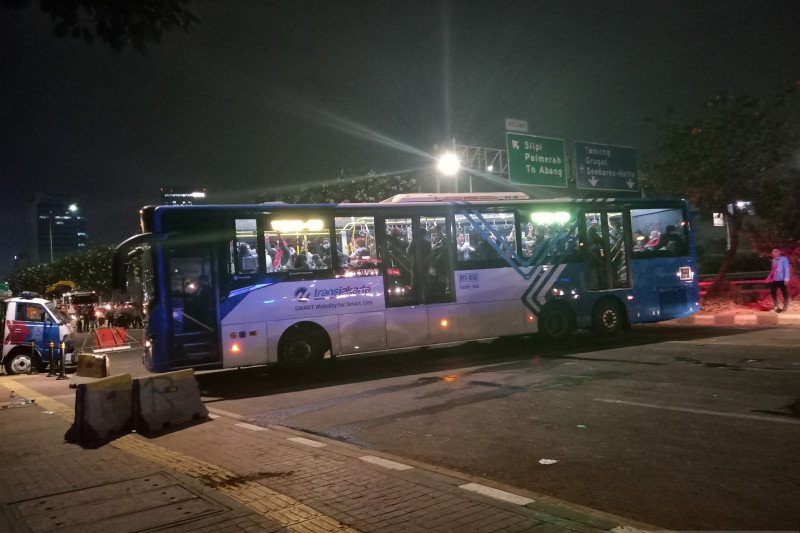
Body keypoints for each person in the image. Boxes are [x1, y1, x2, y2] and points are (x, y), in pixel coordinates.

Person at [765, 248, 791, 312]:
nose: (774, 253)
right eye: (773, 251)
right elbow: (773, 270)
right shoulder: (773, 260)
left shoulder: (784, 259)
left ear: (779, 252)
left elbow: (786, 269)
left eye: (776, 251)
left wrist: (786, 278)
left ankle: (785, 307)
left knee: (784, 293)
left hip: (782, 279)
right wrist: (769, 277)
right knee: (772, 292)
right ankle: (776, 306)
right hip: (775, 279)